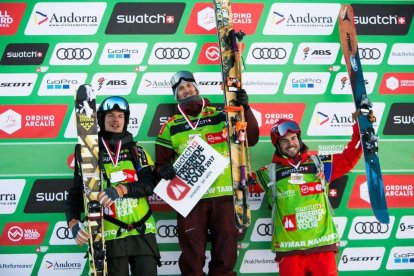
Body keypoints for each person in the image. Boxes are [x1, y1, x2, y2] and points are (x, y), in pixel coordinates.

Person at [155, 71, 259, 275]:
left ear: (197, 89)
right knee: (192, 257)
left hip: (225, 196)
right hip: (191, 200)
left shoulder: (221, 115)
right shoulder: (171, 125)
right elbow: (160, 163)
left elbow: (252, 138)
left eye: (189, 86)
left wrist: (244, 108)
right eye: (181, 89)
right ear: (176, 96)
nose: (186, 91)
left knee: (226, 254)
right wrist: (163, 169)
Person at [65, 92, 160, 276]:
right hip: (108, 234)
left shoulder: (137, 151)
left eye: (120, 116)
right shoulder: (87, 153)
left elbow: (150, 184)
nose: (116, 120)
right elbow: (77, 193)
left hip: (142, 232)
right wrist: (73, 223)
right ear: (101, 119)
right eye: (110, 115)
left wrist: (123, 189)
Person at [253, 117, 362, 276]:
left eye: (293, 138)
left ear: (299, 139)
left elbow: (349, 158)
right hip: (289, 251)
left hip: (322, 247)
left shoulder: (319, 164)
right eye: (284, 141)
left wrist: (360, 127)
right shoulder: (269, 173)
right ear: (277, 145)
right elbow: (242, 183)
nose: (291, 143)